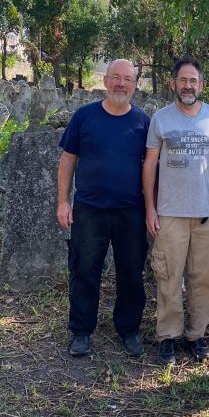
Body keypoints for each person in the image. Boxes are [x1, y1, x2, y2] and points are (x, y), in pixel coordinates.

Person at [57, 59, 149, 358]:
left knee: (131, 273)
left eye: (128, 79)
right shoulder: (85, 117)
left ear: (135, 84)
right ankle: (81, 331)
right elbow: (68, 160)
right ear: (105, 81)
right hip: (89, 209)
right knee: (84, 270)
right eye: (116, 78)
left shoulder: (144, 122)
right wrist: (63, 201)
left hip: (131, 211)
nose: (121, 84)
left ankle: (129, 329)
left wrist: (152, 208)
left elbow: (151, 168)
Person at [143, 57, 209, 366]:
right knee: (168, 275)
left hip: (206, 213)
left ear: (201, 85)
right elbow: (150, 164)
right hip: (169, 213)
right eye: (183, 80)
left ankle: (196, 334)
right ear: (173, 83)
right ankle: (168, 335)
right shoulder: (161, 118)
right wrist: (150, 208)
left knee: (204, 278)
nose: (188, 85)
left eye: (194, 80)